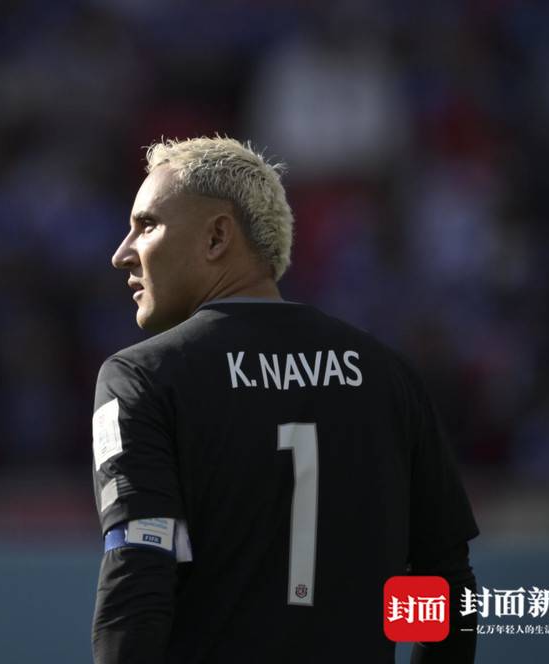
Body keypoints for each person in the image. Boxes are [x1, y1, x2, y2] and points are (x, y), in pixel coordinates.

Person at [90, 136, 479, 663]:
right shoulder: (388, 375)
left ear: (217, 236)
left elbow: (138, 573)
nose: (122, 254)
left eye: (147, 225)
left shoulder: (141, 378)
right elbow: (442, 578)